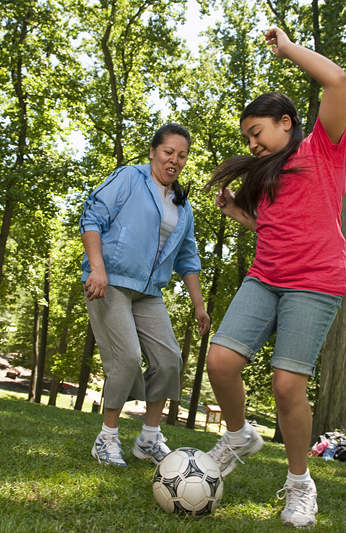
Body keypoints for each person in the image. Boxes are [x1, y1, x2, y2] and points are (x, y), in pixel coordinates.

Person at [204, 27, 346, 528]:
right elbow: (273, 227)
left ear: (287, 123)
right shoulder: (265, 175)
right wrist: (237, 216)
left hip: (314, 283)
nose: (252, 143)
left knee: (287, 385)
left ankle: (299, 483)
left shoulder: (322, 149)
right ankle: (239, 434)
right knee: (220, 361)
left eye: (257, 132)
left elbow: (336, 79)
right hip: (266, 277)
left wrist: (286, 49)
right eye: (247, 137)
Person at [80, 123, 210, 467]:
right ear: (153, 151)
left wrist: (199, 305)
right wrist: (97, 268)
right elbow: (93, 217)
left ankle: (149, 439)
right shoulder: (129, 177)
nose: (175, 161)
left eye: (182, 156)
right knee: (126, 358)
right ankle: (106, 439)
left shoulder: (182, 204)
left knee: (169, 360)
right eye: (168, 152)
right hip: (110, 282)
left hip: (149, 292)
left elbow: (188, 257)